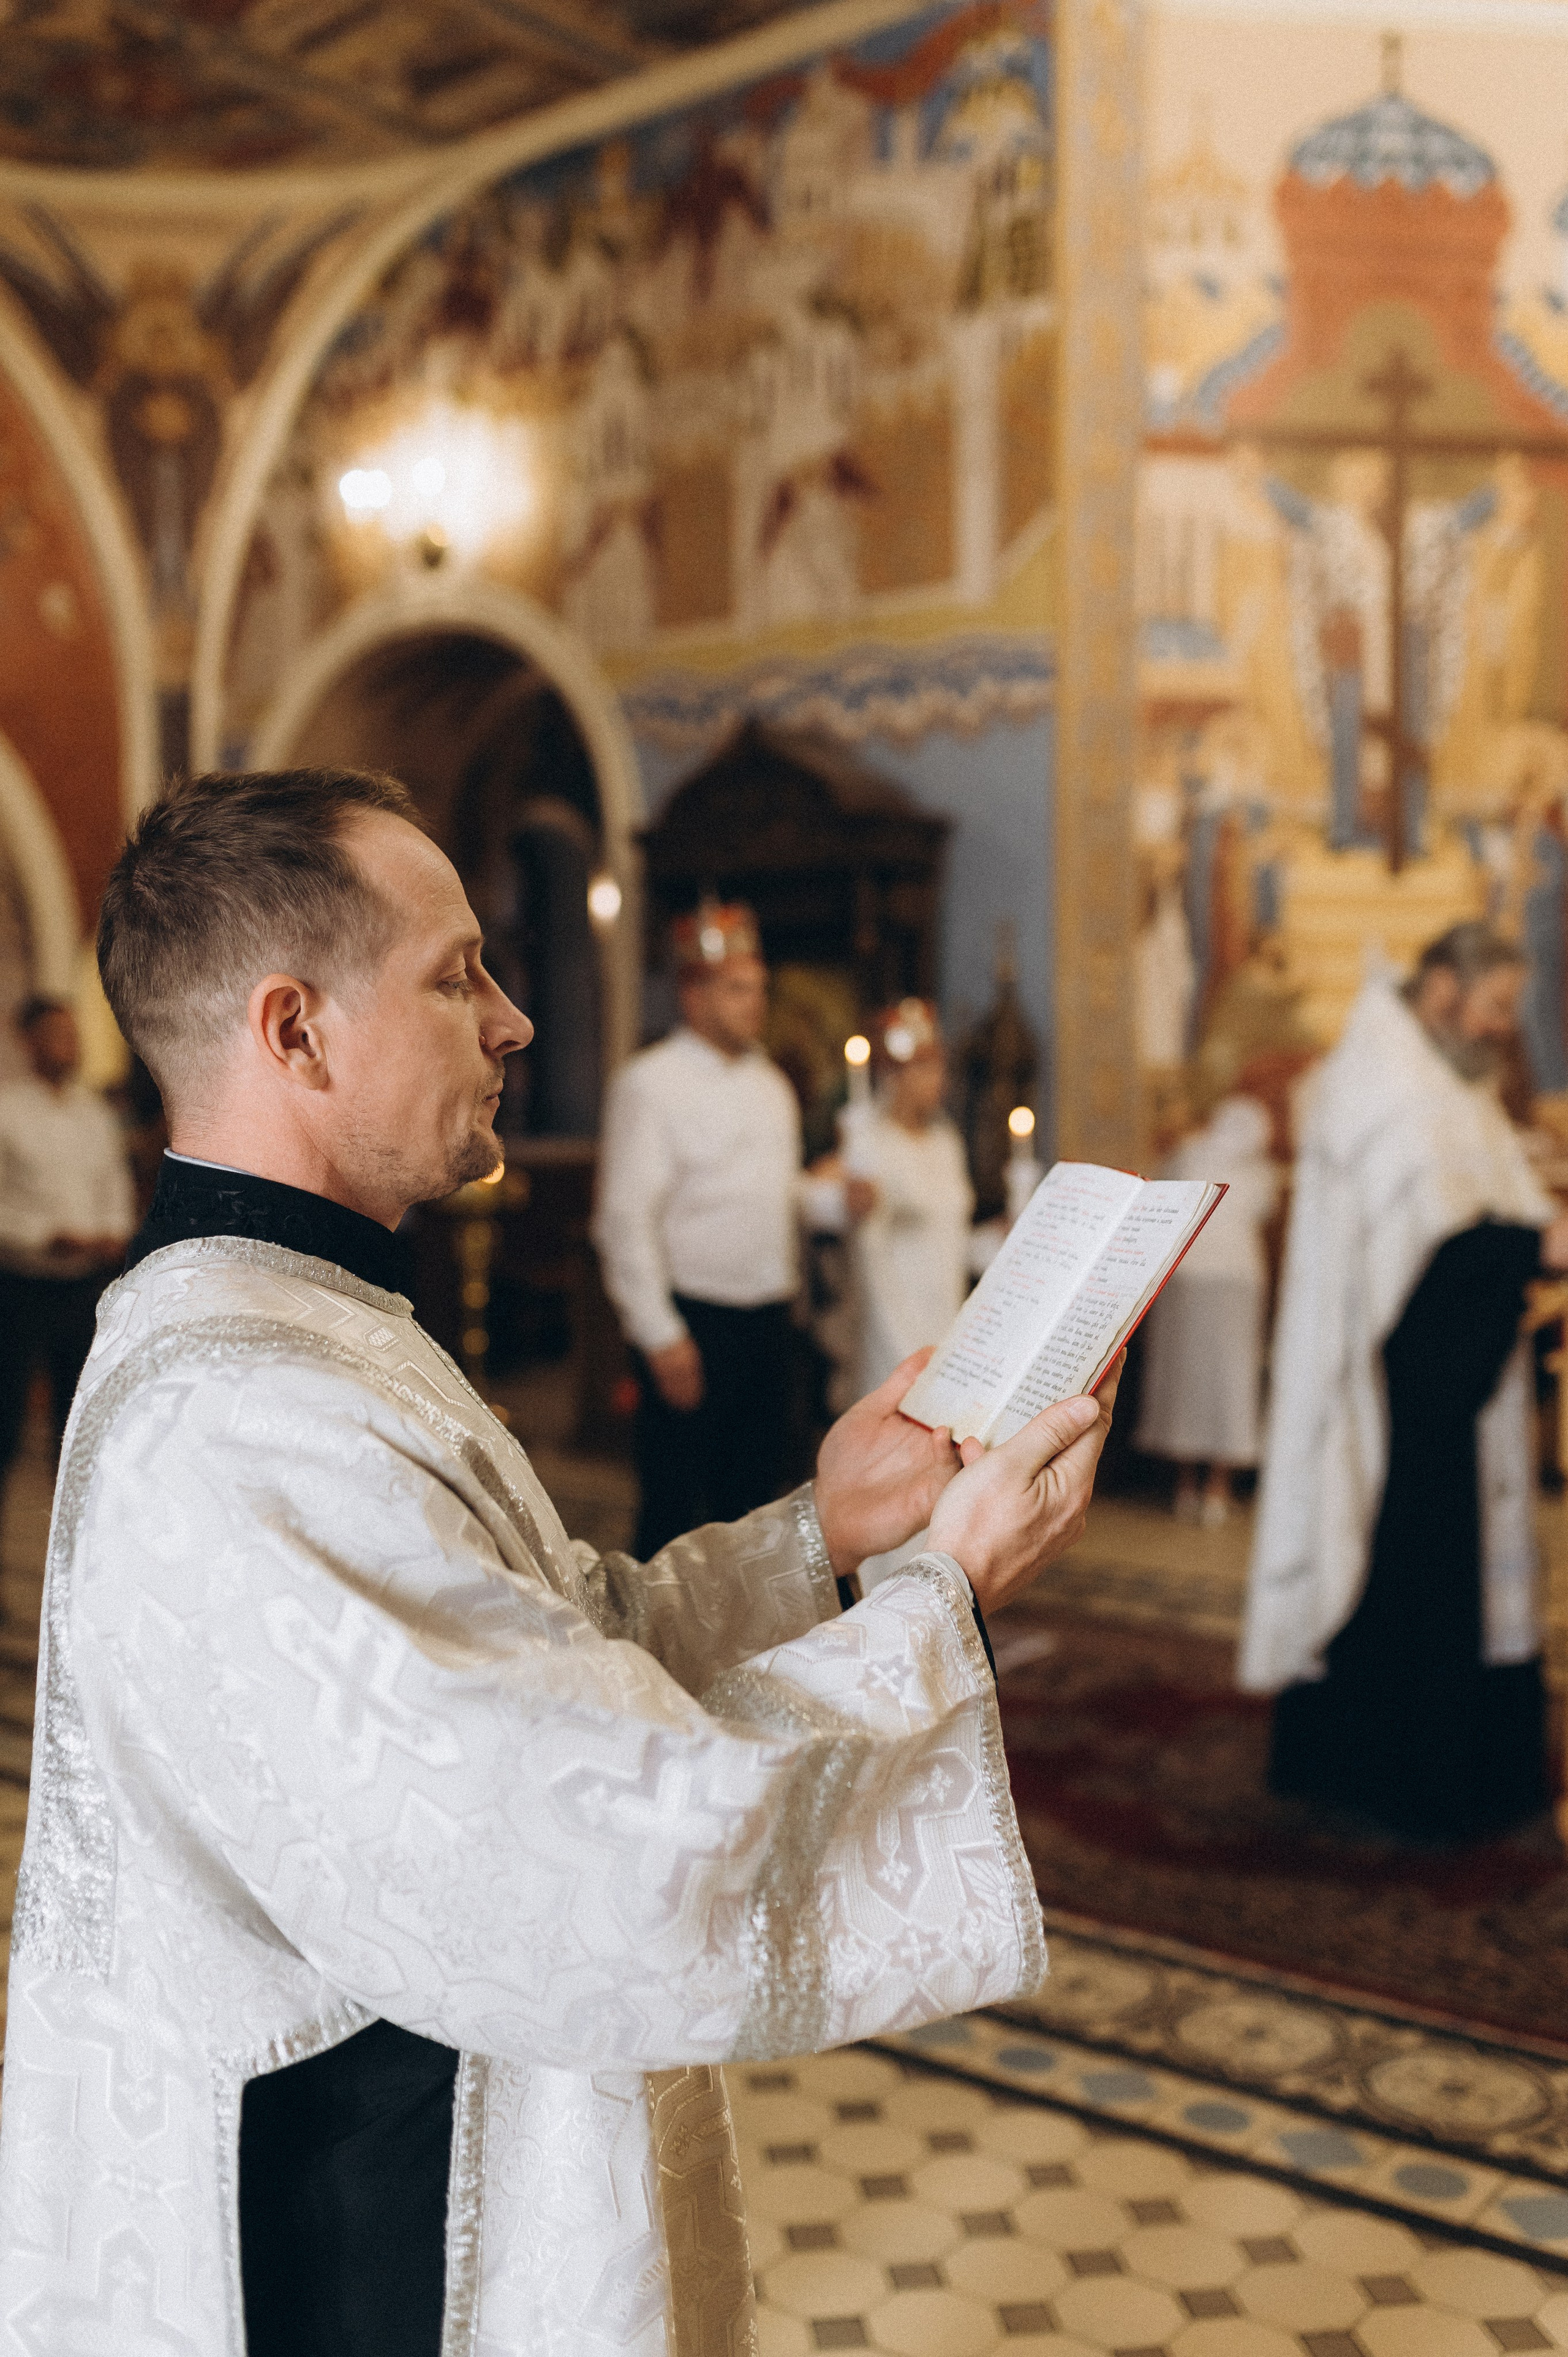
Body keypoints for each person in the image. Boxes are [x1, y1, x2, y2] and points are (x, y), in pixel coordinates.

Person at [0, 766, 1119, 2356]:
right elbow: (580, 1829)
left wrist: (828, 1530)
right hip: (368, 2234)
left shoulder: (298, 1325)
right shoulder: (243, 1414)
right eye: (457, 976)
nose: (516, 1020)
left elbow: (551, 1636)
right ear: (294, 1032)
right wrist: (944, 1594)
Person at [1242, 922, 1568, 1841]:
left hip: (1450, 1384)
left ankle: (1469, 1771)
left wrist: (1520, 1242)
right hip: (1391, 1395)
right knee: (1405, 1565)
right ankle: (1399, 1777)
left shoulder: (1449, 1083)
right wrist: (1535, 1247)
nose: (1505, 1028)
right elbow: (1427, 1256)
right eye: (1497, 1007)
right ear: (1440, 994)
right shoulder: (1382, 1083)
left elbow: (1470, 1220)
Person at [594, 902, 802, 1556]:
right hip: (695, 1324)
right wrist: (660, 1335)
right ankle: (658, 1657)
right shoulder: (651, 1084)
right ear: (692, 991)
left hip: (768, 1321)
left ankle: (745, 1650)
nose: (756, 1003)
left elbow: (775, 1197)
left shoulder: (773, 1084)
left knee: (757, 1507)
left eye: (760, 987)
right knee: (676, 1515)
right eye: (738, 988)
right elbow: (624, 1219)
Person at [0, 995, 133, 1506]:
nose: (69, 1044)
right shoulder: (9, 1110)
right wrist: (46, 1234)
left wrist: (114, 1231)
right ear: (28, 1041)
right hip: (20, 1287)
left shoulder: (93, 1113)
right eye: (57, 1034)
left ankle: (71, 1562)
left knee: (77, 1429)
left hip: (84, 1287)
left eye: (73, 1034)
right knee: (7, 1427)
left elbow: (114, 1187)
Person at [810, 998, 975, 1400]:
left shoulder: (946, 1141)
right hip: (892, 1329)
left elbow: (954, 1239)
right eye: (922, 1067)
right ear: (892, 1075)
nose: (936, 1079)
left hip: (950, 1322)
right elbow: (812, 1194)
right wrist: (843, 1202)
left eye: (938, 1065)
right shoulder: (871, 1145)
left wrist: (1007, 1238)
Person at [1136, 1093, 1278, 1524]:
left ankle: (1188, 1487)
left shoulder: (1189, 1153)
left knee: (1187, 1378)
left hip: (1189, 1279)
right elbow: (1264, 1211)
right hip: (1233, 1283)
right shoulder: (1259, 1172)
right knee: (1228, 1380)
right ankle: (1216, 1487)